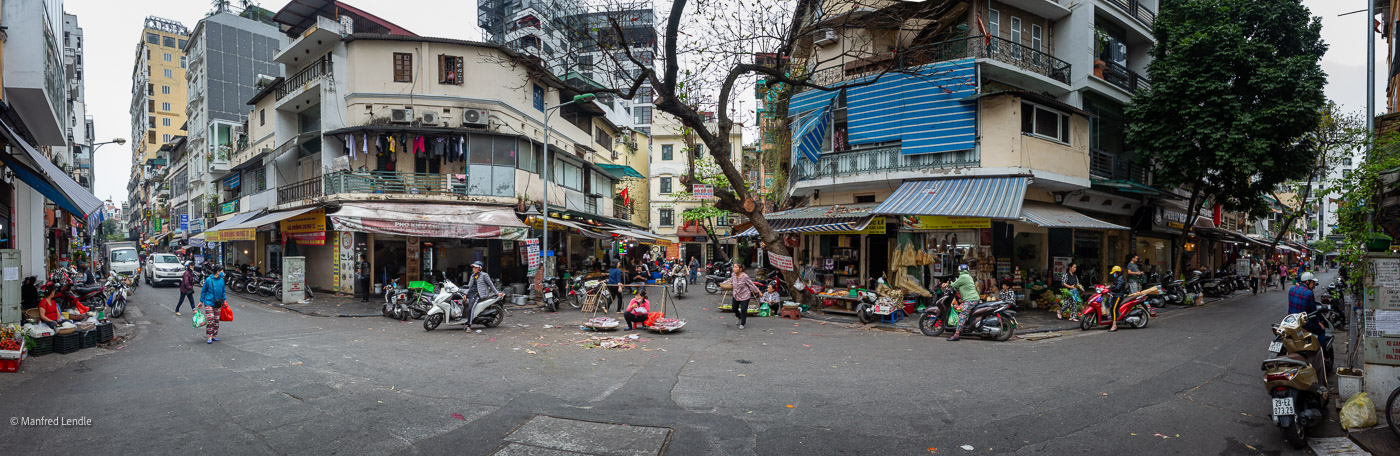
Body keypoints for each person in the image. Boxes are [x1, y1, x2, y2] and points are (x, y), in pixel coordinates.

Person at [1287, 272, 1329, 349]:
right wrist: (1318, 323)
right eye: (1313, 282)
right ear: (1307, 282)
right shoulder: (1309, 293)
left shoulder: (1292, 289)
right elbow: (1313, 313)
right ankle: (1323, 355)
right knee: (1321, 331)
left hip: (1291, 320)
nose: (1314, 285)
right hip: (1303, 323)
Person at [464, 261, 503, 331]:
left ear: (480, 268)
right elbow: (469, 286)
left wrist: (497, 293)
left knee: (471, 307)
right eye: (473, 267)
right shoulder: (472, 276)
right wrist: (465, 294)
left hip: (478, 294)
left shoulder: (485, 275)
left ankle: (469, 325)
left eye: (475, 267)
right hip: (471, 293)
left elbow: (491, 285)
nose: (474, 269)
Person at [946, 264, 980, 341]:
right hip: (974, 298)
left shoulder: (963, 277)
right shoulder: (968, 277)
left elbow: (954, 284)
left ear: (960, 270)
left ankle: (956, 334)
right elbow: (959, 286)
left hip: (970, 300)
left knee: (962, 315)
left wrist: (949, 284)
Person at [729, 263, 761, 329]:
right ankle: (739, 317)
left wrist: (758, 291)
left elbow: (751, 284)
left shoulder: (745, 276)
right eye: (734, 267)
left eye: (736, 267)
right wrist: (722, 284)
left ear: (740, 269)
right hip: (736, 294)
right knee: (734, 308)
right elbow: (730, 281)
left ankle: (742, 323)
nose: (734, 269)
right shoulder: (733, 275)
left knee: (743, 309)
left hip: (745, 295)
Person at [198, 269, 226, 344]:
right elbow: (203, 291)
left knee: (216, 320)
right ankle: (209, 336)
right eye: (222, 271)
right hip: (209, 302)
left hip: (218, 303)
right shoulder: (208, 280)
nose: (223, 273)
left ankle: (214, 335)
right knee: (211, 319)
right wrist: (201, 301)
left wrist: (224, 300)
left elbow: (223, 291)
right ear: (217, 271)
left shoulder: (222, 281)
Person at [1107, 266, 1127, 332]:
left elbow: (1117, 288)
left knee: (1113, 309)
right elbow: (1115, 286)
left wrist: (1110, 288)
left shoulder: (1120, 279)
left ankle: (1114, 325)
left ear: (1117, 273)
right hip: (1115, 295)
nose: (1113, 274)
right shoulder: (1118, 278)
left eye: (1114, 273)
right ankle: (1112, 322)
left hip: (1118, 296)